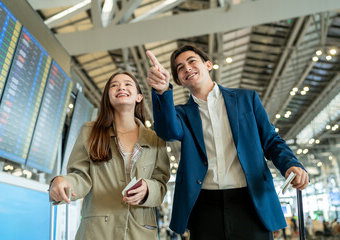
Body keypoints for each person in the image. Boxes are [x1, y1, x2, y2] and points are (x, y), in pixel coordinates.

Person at [145, 44, 309, 240]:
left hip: (251, 202)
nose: (186, 68)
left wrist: (291, 164)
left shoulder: (247, 99)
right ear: (179, 80)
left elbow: (271, 140)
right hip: (204, 206)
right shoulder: (181, 114)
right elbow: (167, 131)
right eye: (180, 68)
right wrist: (162, 92)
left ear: (208, 65)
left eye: (191, 61)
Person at [49, 72, 170, 240]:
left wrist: (148, 189)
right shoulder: (90, 131)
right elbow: (81, 176)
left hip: (140, 232)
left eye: (128, 84)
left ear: (139, 97)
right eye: (114, 85)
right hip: (97, 232)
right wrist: (63, 183)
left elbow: (161, 184)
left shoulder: (156, 138)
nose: (121, 87)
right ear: (108, 97)